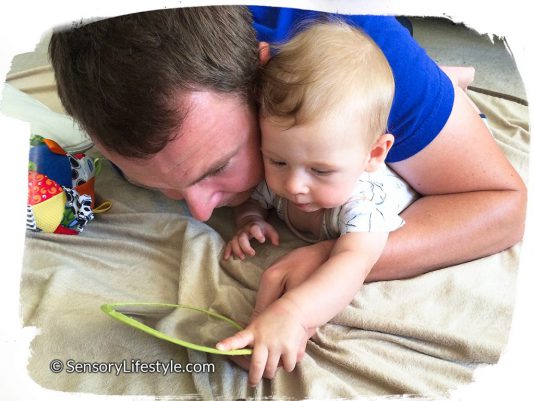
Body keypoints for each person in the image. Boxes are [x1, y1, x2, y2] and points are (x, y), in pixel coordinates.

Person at [48, 5, 527, 381]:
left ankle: (444, 80)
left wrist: (323, 262)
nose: (200, 208)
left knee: (363, 92)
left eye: (217, 167)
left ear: (264, 74)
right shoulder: (100, 74)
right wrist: (250, 212)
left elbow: (504, 204)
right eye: (153, 182)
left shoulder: (352, 31)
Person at [216, 21, 419, 386]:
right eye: (277, 161)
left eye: (321, 171)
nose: (293, 185)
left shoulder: (363, 204)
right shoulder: (284, 171)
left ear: (373, 154)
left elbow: (351, 263)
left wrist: (293, 313)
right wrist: (249, 221)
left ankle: (456, 83)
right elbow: (253, 200)